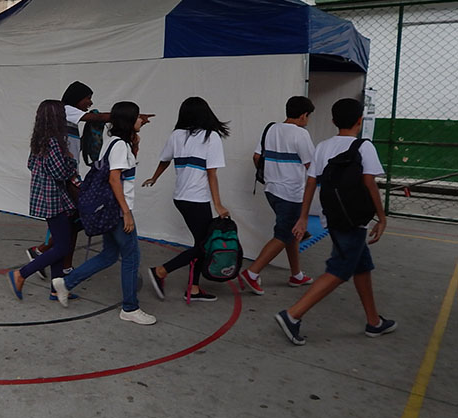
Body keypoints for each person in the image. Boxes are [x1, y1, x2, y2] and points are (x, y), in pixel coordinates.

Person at [275, 98, 395, 345]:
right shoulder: (364, 147)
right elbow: (370, 184)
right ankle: (293, 314)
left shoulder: (323, 147)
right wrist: (381, 218)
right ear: (360, 120)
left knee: (361, 265)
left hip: (333, 216)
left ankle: (374, 322)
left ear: (332, 121)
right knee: (339, 269)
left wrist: (303, 216)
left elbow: (311, 183)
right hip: (355, 219)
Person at [25, 82, 153, 277]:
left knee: (74, 222)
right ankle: (42, 258)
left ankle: (52, 260)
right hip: (67, 179)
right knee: (77, 219)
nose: (90, 102)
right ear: (76, 98)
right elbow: (97, 117)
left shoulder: (65, 125)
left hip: (70, 175)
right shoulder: (66, 111)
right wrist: (127, 116)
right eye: (87, 98)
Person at [53, 101, 156, 326]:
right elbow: (114, 179)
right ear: (128, 121)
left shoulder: (117, 142)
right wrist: (126, 213)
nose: (141, 120)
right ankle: (130, 307)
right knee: (131, 257)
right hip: (117, 210)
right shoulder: (119, 146)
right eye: (137, 117)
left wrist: (136, 144)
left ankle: (66, 283)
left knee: (109, 254)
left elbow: (125, 170)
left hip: (113, 209)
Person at [142, 97, 229, 303]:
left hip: (180, 198)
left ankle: (194, 288)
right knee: (204, 245)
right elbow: (212, 174)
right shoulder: (211, 137)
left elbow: (165, 160)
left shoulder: (177, 135)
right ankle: (161, 271)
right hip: (196, 199)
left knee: (201, 243)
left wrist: (154, 177)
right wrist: (218, 204)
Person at [240, 96, 316, 295]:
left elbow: (256, 157)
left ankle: (296, 275)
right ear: (303, 115)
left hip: (271, 191)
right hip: (291, 194)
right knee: (283, 235)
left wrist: (272, 173)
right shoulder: (301, 134)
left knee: (290, 232)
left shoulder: (271, 129)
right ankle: (252, 273)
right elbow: (312, 166)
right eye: (308, 116)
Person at [8, 100, 80, 301]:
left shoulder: (39, 140)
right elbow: (60, 172)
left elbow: (31, 164)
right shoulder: (54, 142)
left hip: (44, 197)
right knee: (62, 247)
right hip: (54, 199)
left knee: (59, 242)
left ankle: (56, 289)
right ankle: (21, 274)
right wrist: (71, 160)